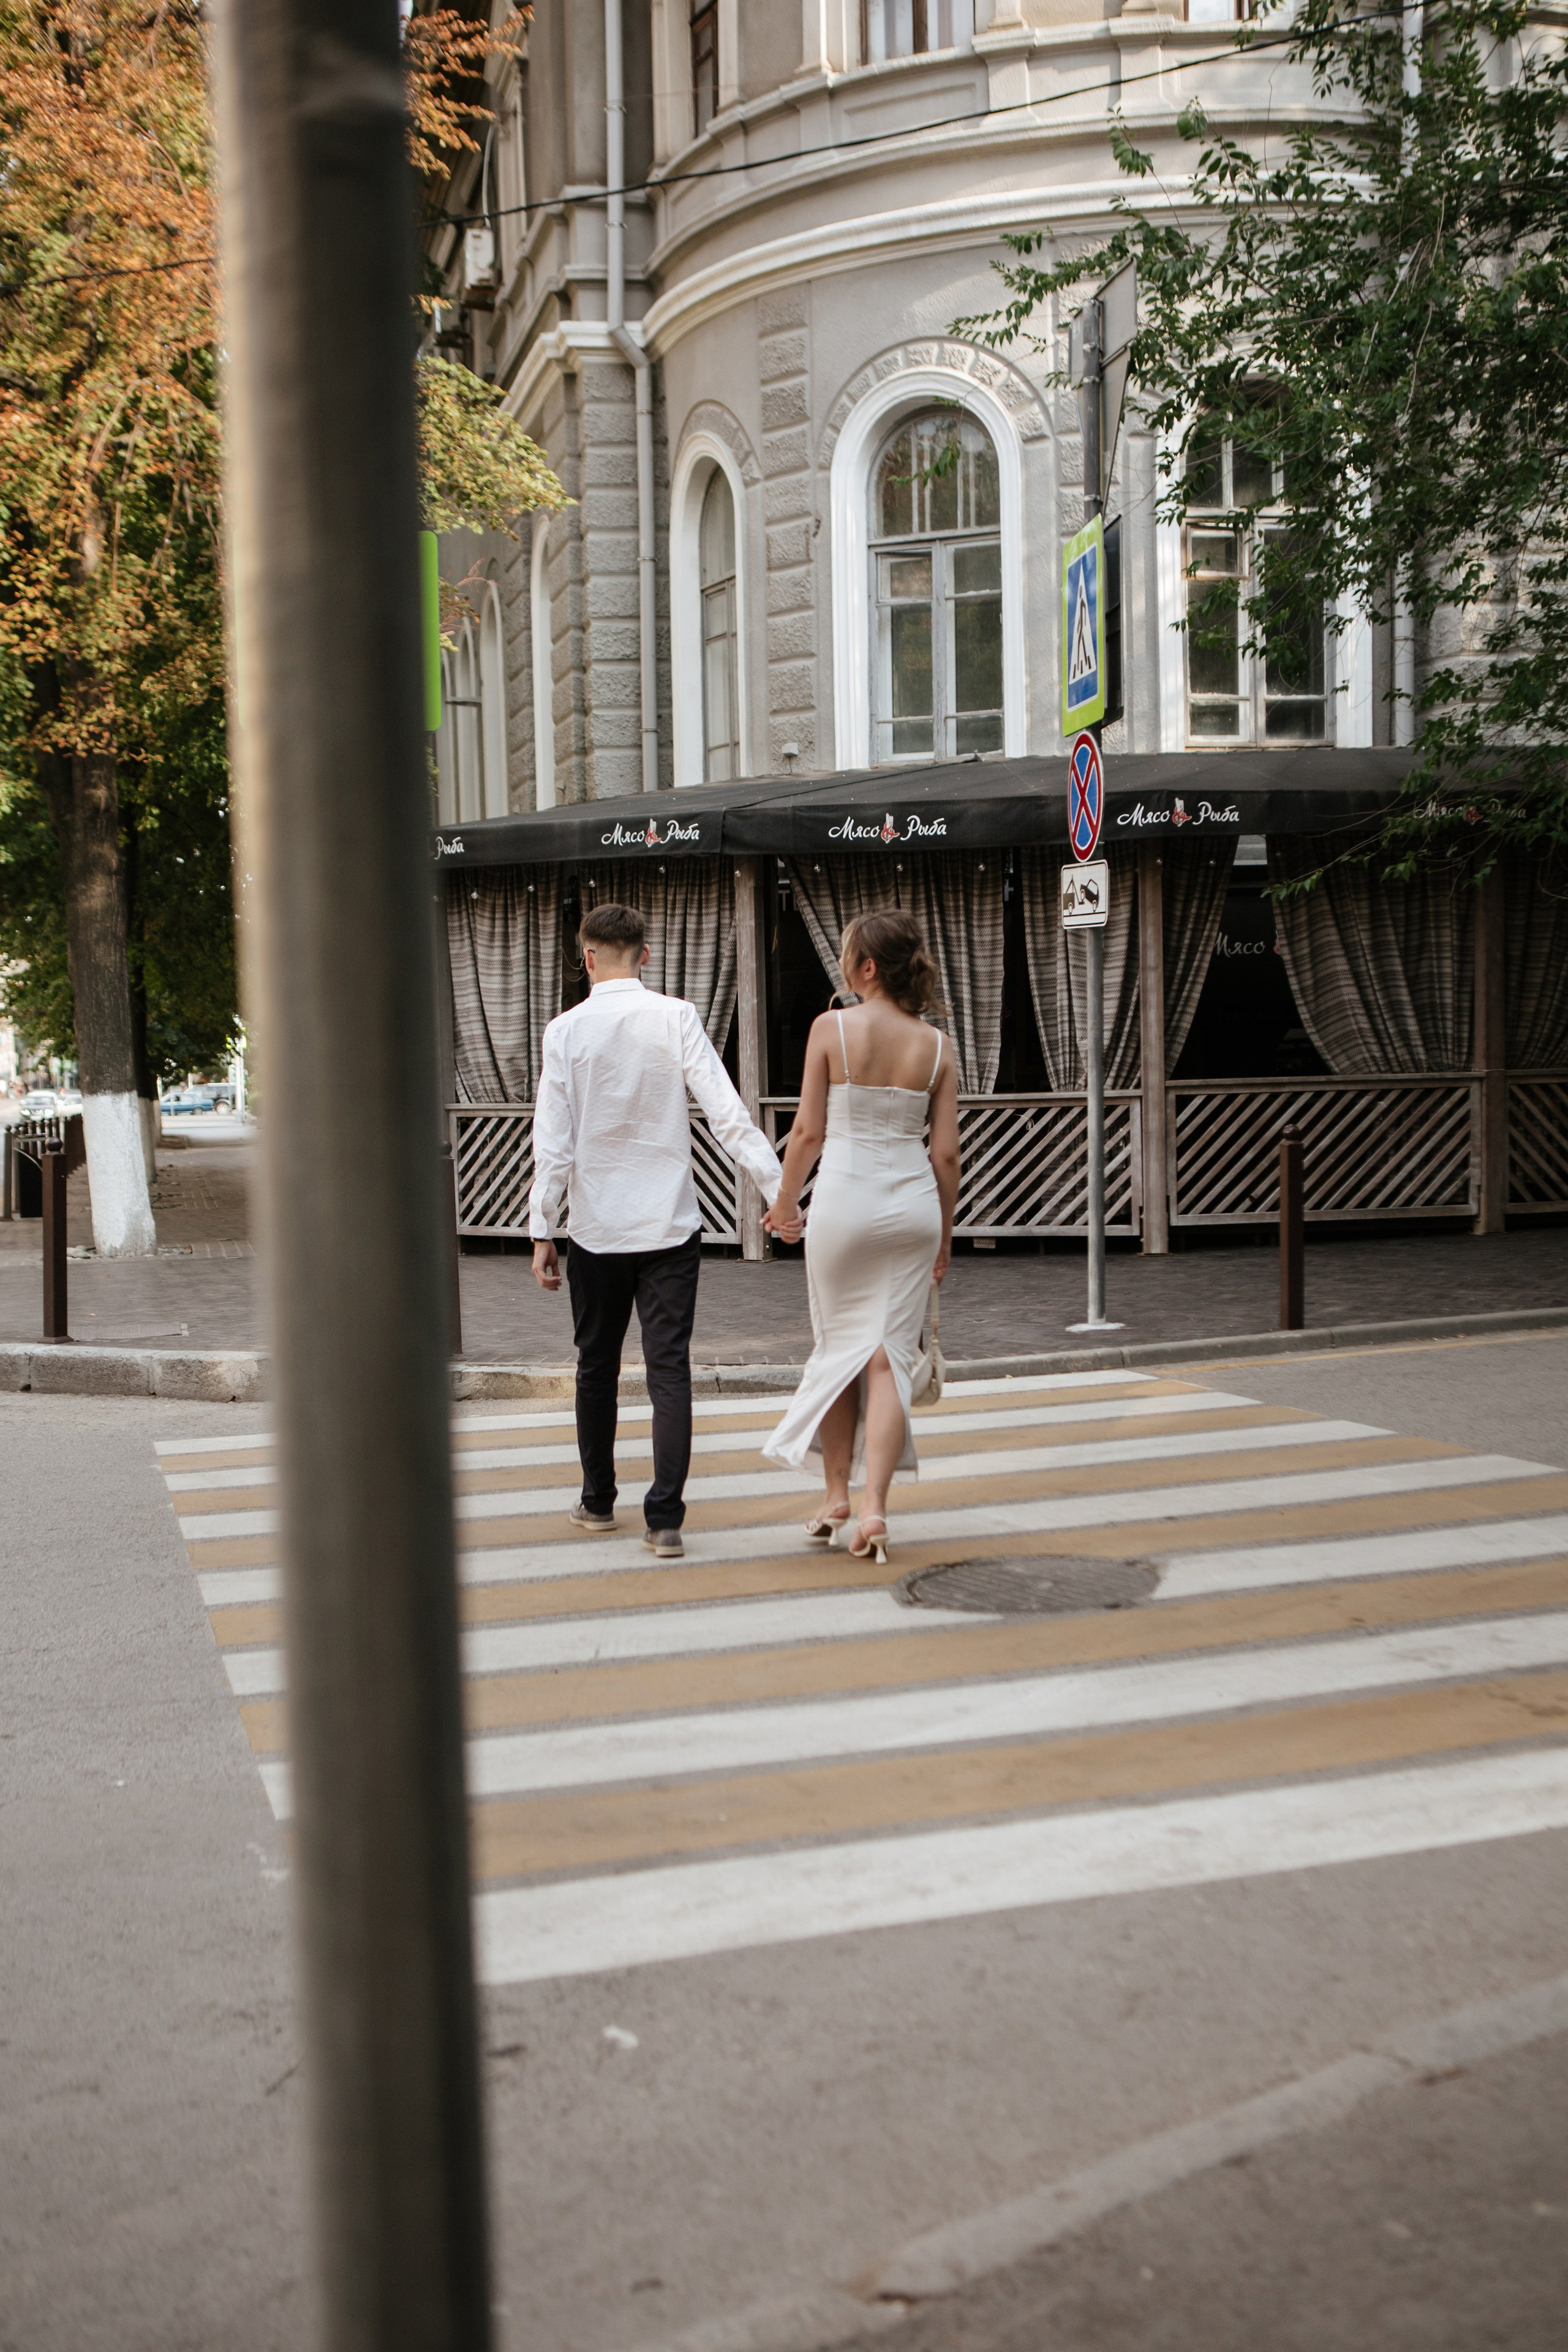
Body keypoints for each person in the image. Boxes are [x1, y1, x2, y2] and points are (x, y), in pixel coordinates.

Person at [529, 899, 783, 1559]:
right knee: (669, 1368)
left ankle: (597, 1501)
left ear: (586, 958)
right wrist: (780, 1190)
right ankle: (665, 1518)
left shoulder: (563, 1032)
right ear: (644, 955)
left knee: (596, 1366)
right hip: (669, 1224)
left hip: (595, 1230)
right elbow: (727, 1112)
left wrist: (541, 1228)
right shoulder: (676, 1017)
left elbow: (552, 1143)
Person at [762, 908, 961, 1564]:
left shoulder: (831, 1030)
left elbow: (809, 1133)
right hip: (911, 1209)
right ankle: (873, 1507)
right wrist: (944, 1235)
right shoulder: (936, 1046)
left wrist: (784, 1204)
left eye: (848, 954)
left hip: (844, 1203)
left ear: (867, 968)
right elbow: (945, 1158)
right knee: (886, 1359)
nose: (842, 964)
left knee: (837, 1350)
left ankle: (834, 1496)